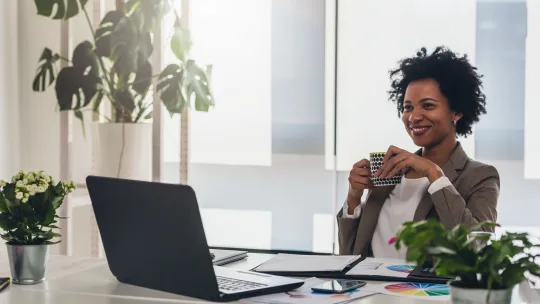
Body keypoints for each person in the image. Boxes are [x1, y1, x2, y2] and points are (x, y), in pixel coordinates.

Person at [337, 46, 500, 258]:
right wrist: (353, 197)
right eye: (408, 107)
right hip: (369, 289)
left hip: (424, 291)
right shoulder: (390, 171)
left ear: (457, 111)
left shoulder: (480, 176)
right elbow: (349, 256)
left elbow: (476, 249)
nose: (414, 117)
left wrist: (434, 174)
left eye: (428, 106)